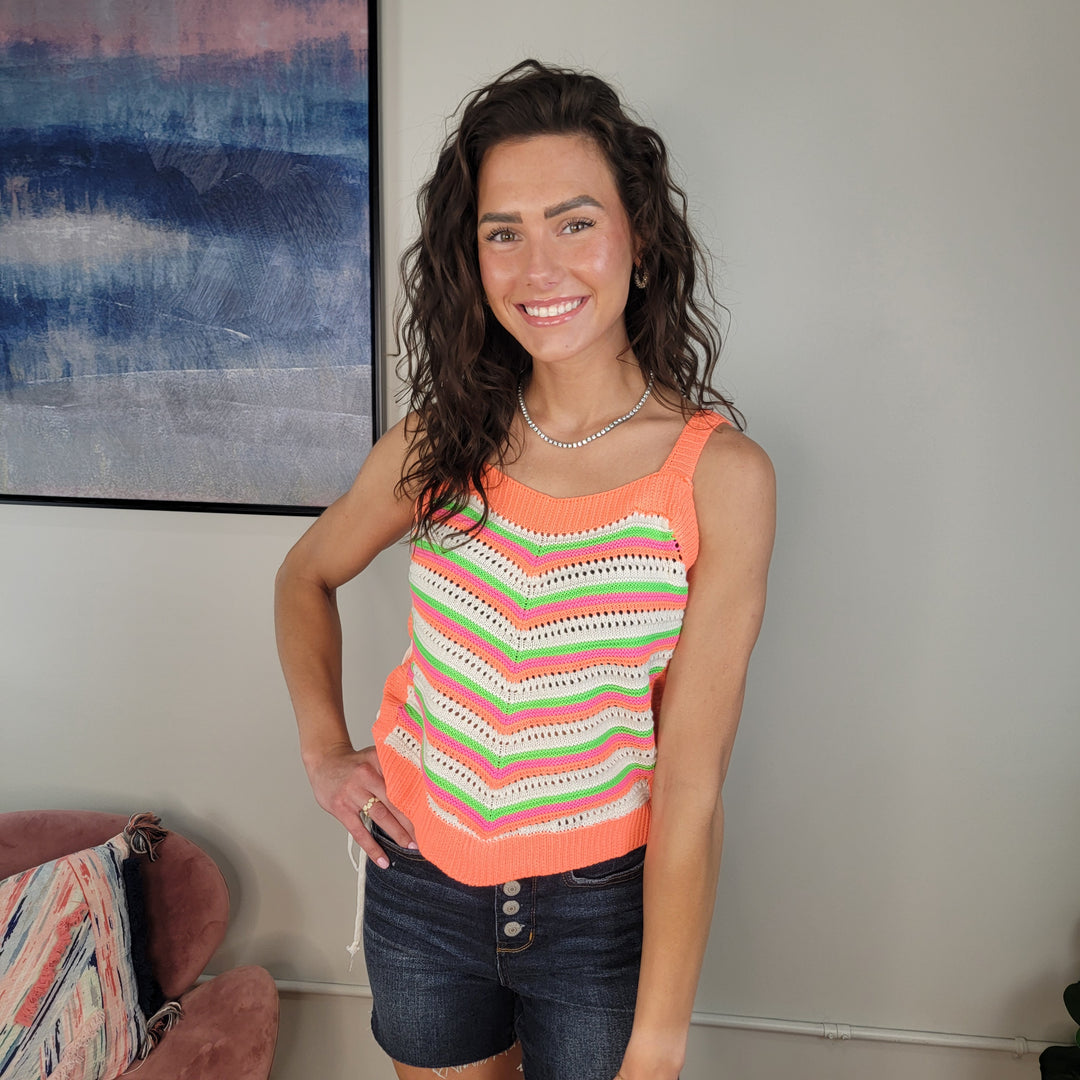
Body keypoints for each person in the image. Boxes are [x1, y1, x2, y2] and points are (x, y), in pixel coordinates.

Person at [275, 59, 775, 1080]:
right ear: (474, 258)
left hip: (599, 917)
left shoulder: (720, 477)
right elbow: (304, 576)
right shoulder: (438, 441)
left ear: (640, 241)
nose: (538, 266)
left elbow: (689, 787)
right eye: (503, 231)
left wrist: (660, 1044)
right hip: (419, 886)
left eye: (574, 222)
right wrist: (326, 753)